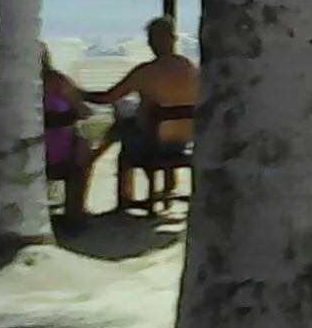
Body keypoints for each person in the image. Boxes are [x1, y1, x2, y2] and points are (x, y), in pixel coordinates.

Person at [85, 17, 200, 212]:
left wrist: (79, 94)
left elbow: (108, 97)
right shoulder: (191, 69)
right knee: (132, 124)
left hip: (154, 143)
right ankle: (168, 185)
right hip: (183, 140)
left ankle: (122, 194)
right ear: (173, 39)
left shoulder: (147, 72)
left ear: (151, 42)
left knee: (122, 129)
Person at [42, 46, 94, 225]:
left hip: (15, 152)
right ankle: (75, 212)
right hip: (57, 154)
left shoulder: (6, 84)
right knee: (82, 144)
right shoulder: (56, 81)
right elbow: (83, 111)